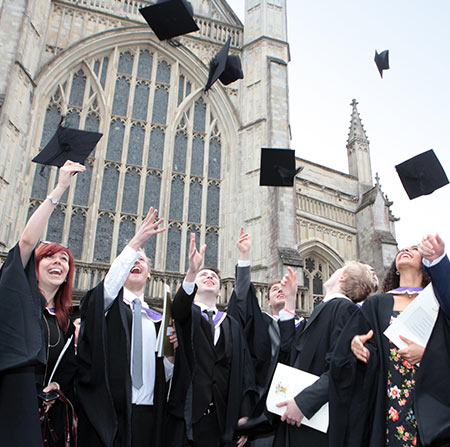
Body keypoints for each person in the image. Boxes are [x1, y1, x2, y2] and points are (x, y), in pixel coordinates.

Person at [328, 243, 450, 446]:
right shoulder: (376, 304)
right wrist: (356, 345)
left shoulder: (437, 302)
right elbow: (350, 351)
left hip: (431, 405)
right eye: (403, 249)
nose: (406, 250)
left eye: (415, 249)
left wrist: (427, 355)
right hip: (388, 405)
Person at [0, 160, 85, 447]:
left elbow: (68, 366)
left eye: (65, 261)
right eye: (51, 256)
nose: (59, 263)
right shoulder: (19, 299)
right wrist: (60, 189)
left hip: (47, 412)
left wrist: (56, 386)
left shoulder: (63, 319)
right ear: (35, 265)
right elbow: (26, 242)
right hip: (11, 396)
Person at [76, 207, 174, 447]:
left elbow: (162, 373)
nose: (137, 262)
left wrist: (173, 357)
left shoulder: (158, 320)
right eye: (133, 260)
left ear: (150, 274)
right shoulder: (109, 307)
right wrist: (135, 244)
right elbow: (106, 291)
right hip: (111, 412)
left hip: (149, 415)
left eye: (142, 260)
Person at [166, 233, 256, 447]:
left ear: (219, 291)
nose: (209, 277)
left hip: (223, 420)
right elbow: (179, 309)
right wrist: (192, 271)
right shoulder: (187, 317)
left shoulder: (231, 324)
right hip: (188, 419)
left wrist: (244, 415)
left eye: (214, 277)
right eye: (203, 275)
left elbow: (243, 370)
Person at [274, 261, 375, 447]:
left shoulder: (346, 310)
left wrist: (304, 403)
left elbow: (343, 368)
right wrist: (290, 300)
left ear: (342, 277)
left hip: (316, 420)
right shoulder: (326, 308)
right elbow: (291, 350)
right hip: (299, 418)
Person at [227, 228, 303, 446]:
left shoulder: (305, 327)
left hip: (297, 407)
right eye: (274, 290)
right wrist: (244, 257)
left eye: (283, 288)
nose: (280, 290)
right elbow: (242, 300)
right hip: (263, 407)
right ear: (267, 301)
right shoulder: (260, 322)